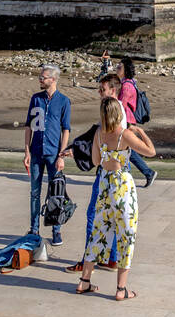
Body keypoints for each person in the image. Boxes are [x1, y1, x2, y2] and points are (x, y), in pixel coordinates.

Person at [75, 96, 157, 302]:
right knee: (126, 234)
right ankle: (121, 288)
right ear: (118, 114)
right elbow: (151, 152)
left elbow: (95, 160)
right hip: (122, 186)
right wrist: (142, 133)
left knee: (99, 231)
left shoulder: (98, 133)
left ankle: (84, 281)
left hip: (105, 184)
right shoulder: (125, 135)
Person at [63, 72, 133, 274]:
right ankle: (111, 259)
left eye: (102, 90)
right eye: (99, 89)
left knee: (93, 214)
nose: (99, 93)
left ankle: (88, 262)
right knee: (112, 215)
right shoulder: (114, 109)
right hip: (118, 169)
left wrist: (77, 149)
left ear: (113, 90)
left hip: (109, 171)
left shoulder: (112, 110)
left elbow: (104, 140)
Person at [24, 65, 71, 246]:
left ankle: (56, 230)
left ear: (53, 79)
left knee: (55, 193)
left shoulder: (64, 101)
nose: (40, 79)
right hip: (36, 152)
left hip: (54, 154)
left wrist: (62, 155)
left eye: (43, 77)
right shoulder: (36, 99)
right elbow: (29, 126)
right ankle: (34, 229)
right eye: (40, 76)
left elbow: (65, 129)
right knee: (34, 193)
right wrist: (26, 151)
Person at [116, 57, 157, 187]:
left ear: (125, 70)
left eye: (119, 67)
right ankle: (146, 172)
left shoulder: (127, 86)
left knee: (126, 148)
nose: (117, 69)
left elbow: (121, 105)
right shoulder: (128, 83)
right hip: (127, 120)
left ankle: (146, 173)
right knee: (127, 148)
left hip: (126, 121)